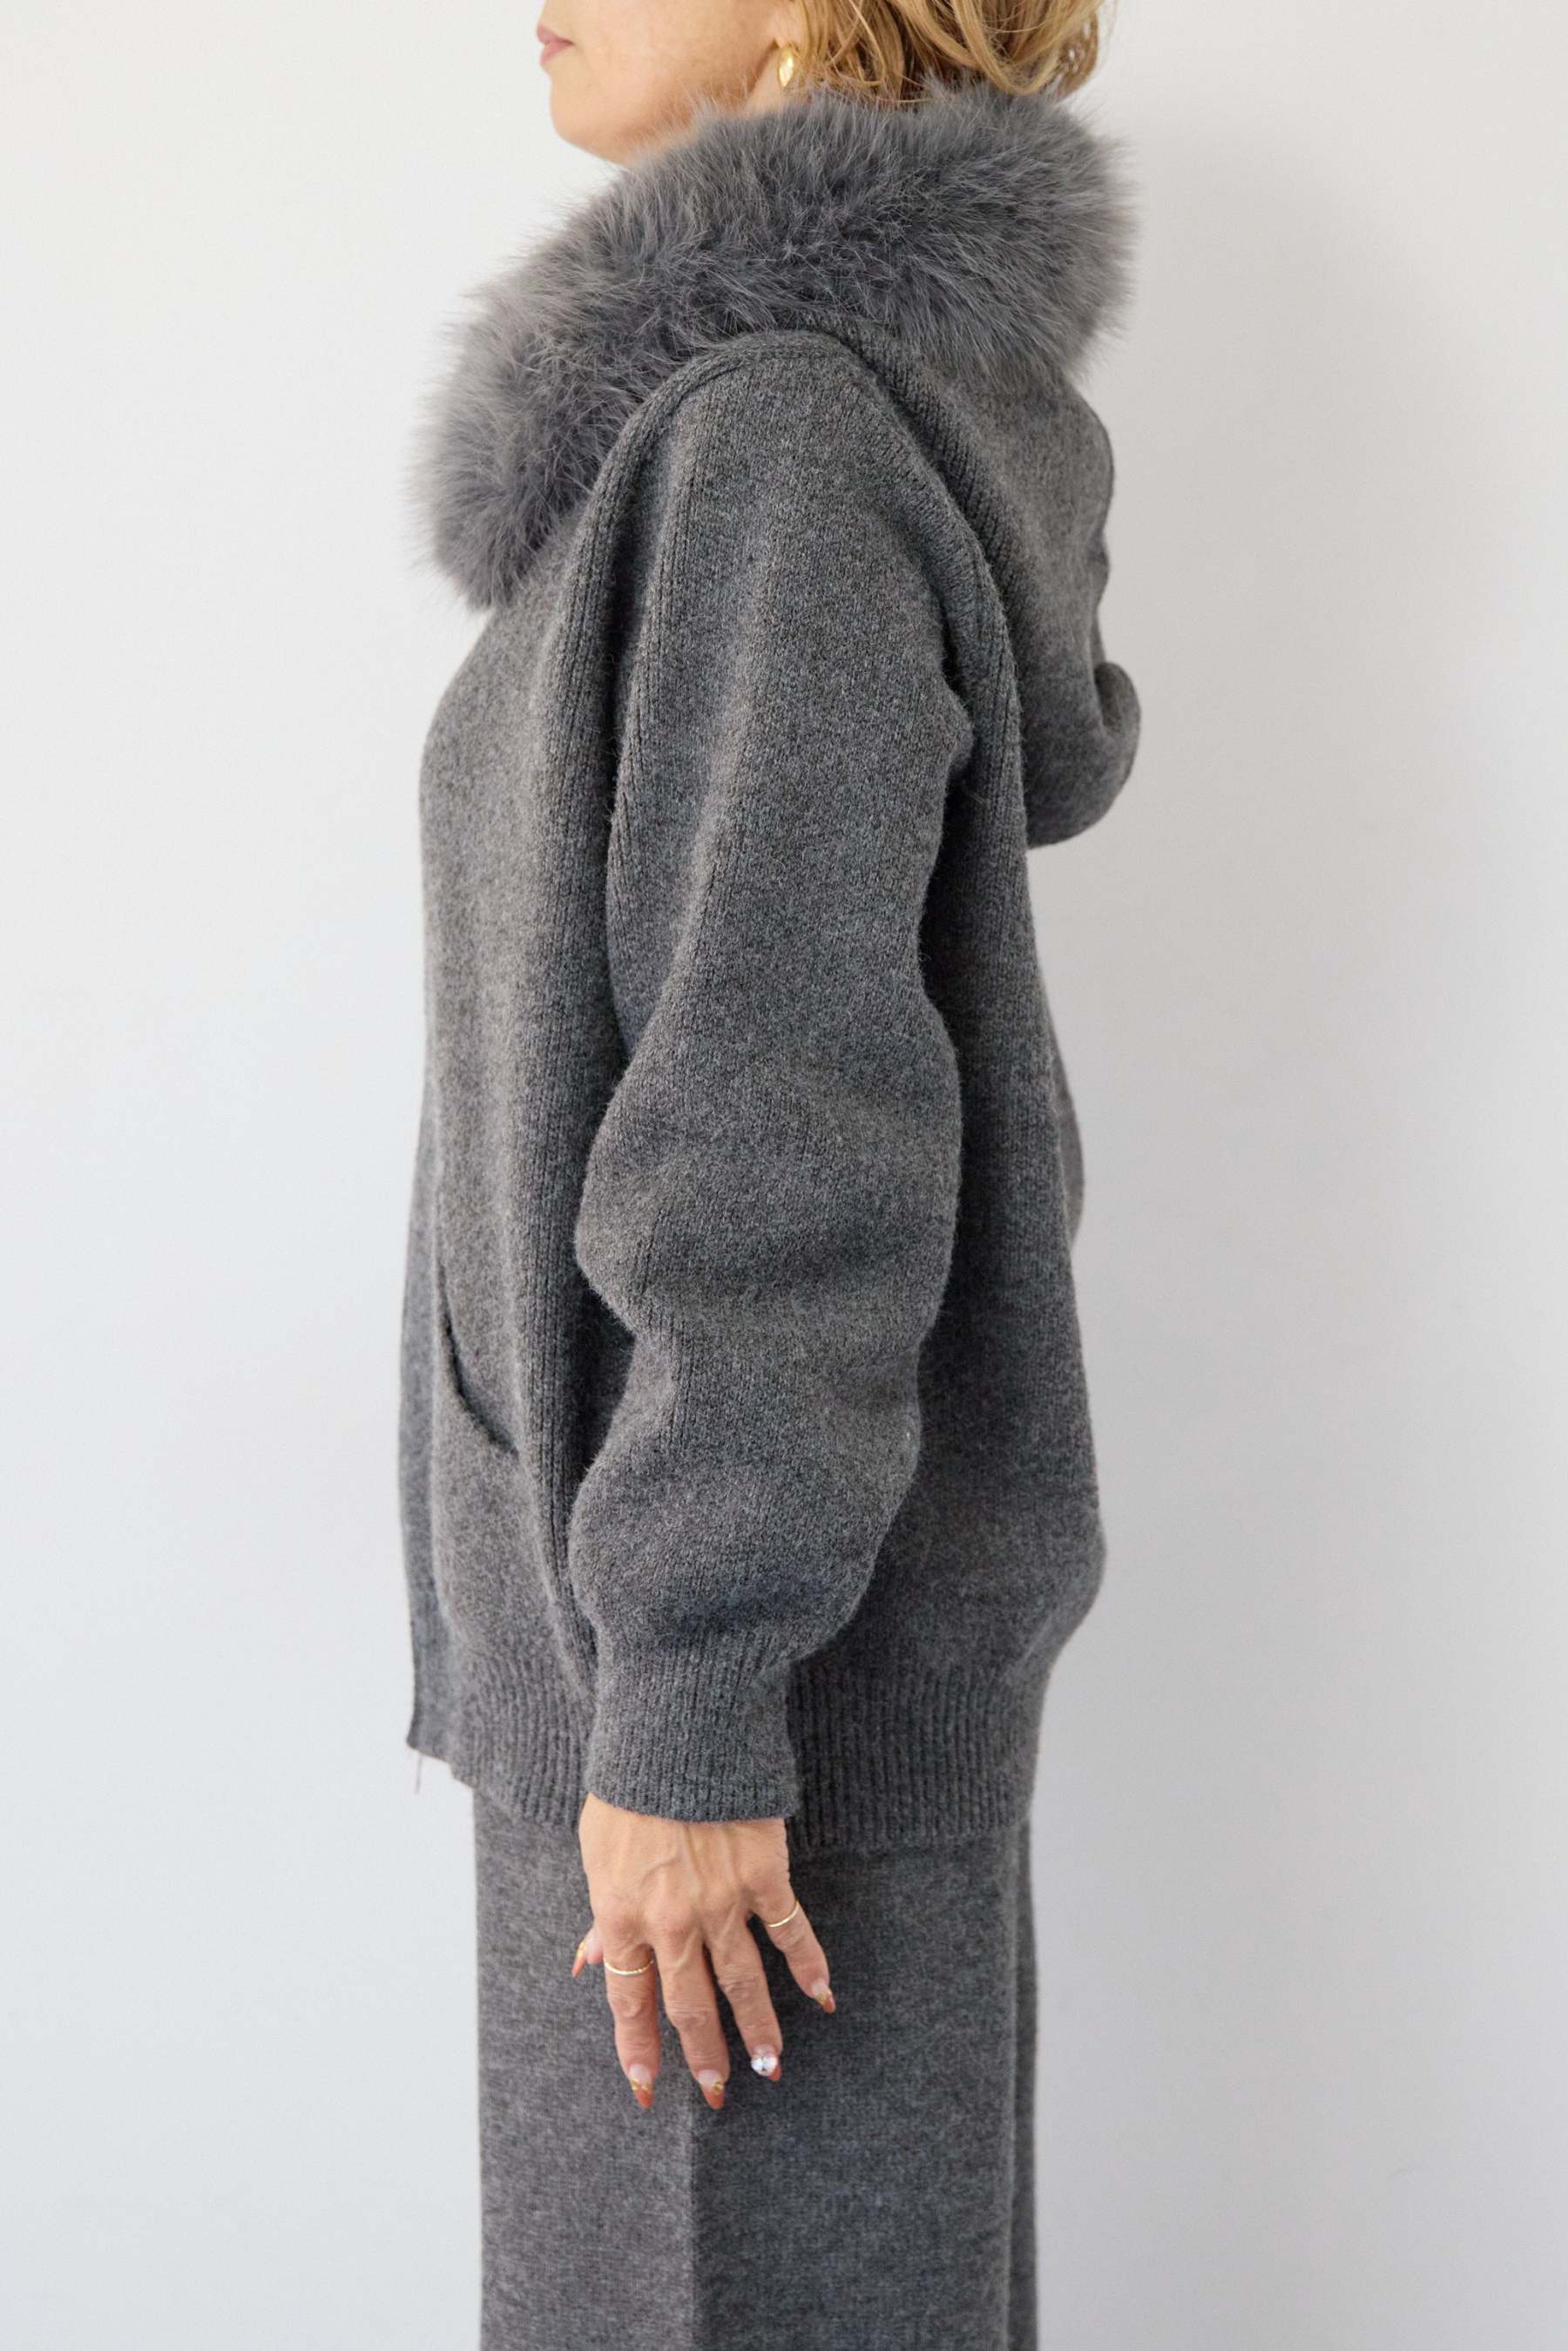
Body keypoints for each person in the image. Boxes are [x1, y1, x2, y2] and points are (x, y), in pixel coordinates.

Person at [397, 3, 1141, 2341]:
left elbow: (779, 1109)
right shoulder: (758, 429)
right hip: (693, 1675)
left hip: (731, 1724)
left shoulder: (777, 440)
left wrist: (695, 1695)